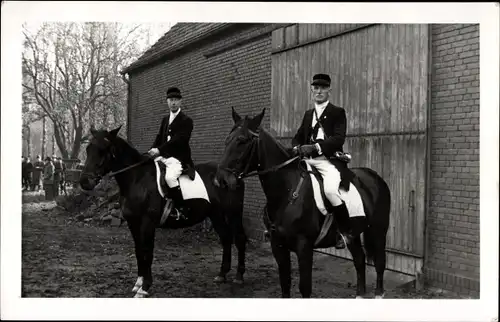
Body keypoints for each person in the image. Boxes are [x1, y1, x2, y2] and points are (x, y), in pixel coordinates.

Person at [291, 73, 353, 249]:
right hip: (307, 161)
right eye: (316, 88)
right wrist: (297, 147)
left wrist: (316, 148)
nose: (319, 91)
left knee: (331, 191)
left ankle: (342, 232)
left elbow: (338, 139)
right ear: (312, 90)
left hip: (327, 160)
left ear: (329, 90)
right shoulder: (308, 114)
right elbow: (297, 136)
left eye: (323, 88)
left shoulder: (337, 112)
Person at [147, 87, 195, 218]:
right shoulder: (165, 119)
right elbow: (159, 137)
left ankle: (181, 208)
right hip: (163, 156)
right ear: (167, 102)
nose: (173, 103)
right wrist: (151, 150)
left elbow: (178, 140)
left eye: (176, 100)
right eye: (171, 100)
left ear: (180, 102)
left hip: (178, 159)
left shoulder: (187, 121)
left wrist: (159, 150)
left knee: (169, 178)